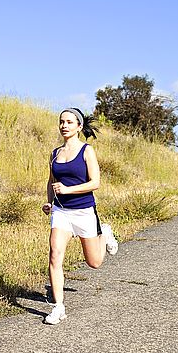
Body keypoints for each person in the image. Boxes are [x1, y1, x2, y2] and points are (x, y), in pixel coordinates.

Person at [41, 107, 118, 325]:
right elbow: (51, 181)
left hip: (84, 211)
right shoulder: (55, 154)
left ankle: (106, 233)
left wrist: (68, 190)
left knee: (94, 262)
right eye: (61, 122)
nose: (64, 125)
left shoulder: (86, 151)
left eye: (69, 122)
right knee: (55, 254)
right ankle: (59, 307)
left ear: (79, 126)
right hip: (61, 212)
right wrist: (49, 202)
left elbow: (95, 183)